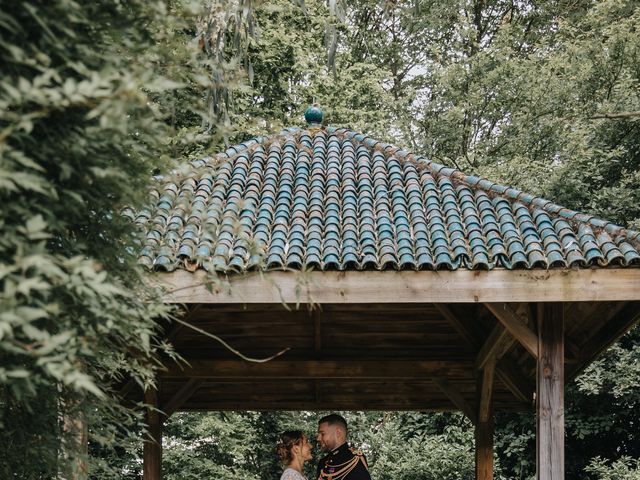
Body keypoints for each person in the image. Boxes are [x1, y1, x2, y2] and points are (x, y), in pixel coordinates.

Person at [315, 414, 371, 480]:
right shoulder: (323, 462)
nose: (318, 438)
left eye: (322, 434)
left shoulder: (354, 459)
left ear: (338, 433)